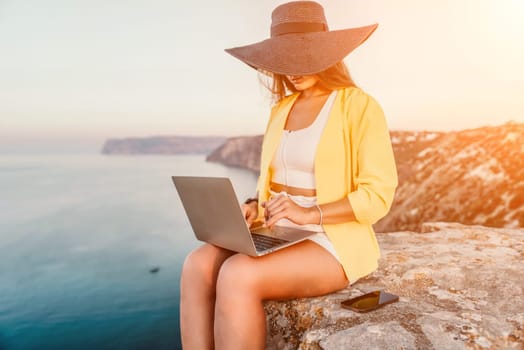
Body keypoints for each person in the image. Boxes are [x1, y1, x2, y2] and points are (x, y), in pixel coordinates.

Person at [179, 1, 398, 349]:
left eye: (300, 57)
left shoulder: (359, 106)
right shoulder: (281, 109)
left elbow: (378, 195)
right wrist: (254, 205)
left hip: (330, 238)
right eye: (283, 60)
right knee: (197, 265)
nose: (291, 71)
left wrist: (310, 213)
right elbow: (275, 179)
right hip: (278, 230)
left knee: (237, 275)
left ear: (327, 54)